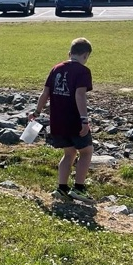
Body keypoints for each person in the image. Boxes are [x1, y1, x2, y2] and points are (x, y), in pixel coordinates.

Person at [29, 37, 94, 203]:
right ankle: (78, 188)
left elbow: (45, 93)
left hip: (57, 121)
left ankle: (62, 188)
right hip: (74, 120)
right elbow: (80, 95)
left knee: (69, 153)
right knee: (86, 151)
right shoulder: (83, 71)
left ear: (69, 53)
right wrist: (84, 120)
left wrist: (36, 112)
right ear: (86, 55)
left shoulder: (56, 68)